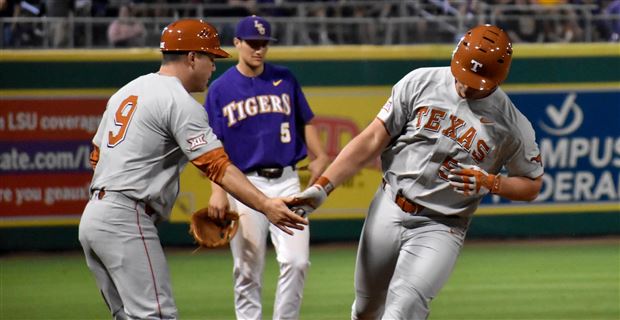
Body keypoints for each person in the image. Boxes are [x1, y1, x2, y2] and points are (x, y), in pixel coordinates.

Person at [291, 24, 544, 319]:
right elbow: (372, 139)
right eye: (463, 73)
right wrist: (323, 186)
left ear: (497, 78)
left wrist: (492, 182)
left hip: (442, 224)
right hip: (388, 205)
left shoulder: (512, 124)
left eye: (477, 81)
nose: (466, 84)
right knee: (365, 310)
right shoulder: (420, 81)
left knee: (403, 309)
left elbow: (532, 185)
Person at [78, 18, 308, 320]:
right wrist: (265, 205)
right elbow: (218, 166)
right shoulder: (178, 101)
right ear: (191, 57)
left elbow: (96, 157)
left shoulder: (126, 92)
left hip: (93, 218)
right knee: (157, 315)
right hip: (126, 216)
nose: (213, 66)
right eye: (210, 57)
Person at [203, 15, 330, 320]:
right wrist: (218, 192)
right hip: (244, 185)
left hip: (287, 182)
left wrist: (320, 156)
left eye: (264, 44)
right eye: (252, 43)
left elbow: (305, 121)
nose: (258, 50)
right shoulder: (220, 89)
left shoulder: (285, 78)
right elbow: (212, 147)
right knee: (247, 269)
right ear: (236, 43)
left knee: (297, 262)